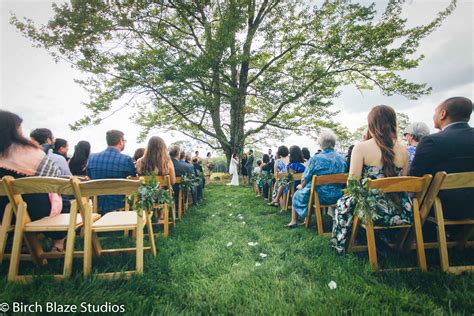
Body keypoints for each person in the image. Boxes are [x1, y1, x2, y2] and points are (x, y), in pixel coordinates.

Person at [330, 105, 412, 253]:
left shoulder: (361, 148)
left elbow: (352, 184)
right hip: (401, 210)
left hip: (372, 211)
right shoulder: (404, 150)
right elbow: (403, 183)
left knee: (342, 203)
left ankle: (342, 244)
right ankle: (382, 240)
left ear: (372, 124)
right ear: (393, 123)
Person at [0, 110, 66, 251]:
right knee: (61, 201)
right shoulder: (31, 153)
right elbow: (55, 181)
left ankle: (17, 241)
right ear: (14, 130)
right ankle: (58, 242)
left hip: (3, 215)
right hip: (34, 212)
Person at [410, 97, 474, 219]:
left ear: (443, 114)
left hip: (441, 208)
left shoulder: (431, 141)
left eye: (435, 112)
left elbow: (415, 177)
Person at [286, 130, 346, 228]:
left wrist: (302, 185)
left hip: (320, 196)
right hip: (339, 195)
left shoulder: (316, 159)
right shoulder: (342, 158)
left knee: (297, 193)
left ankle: (293, 221)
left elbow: (305, 177)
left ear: (321, 144)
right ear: (334, 143)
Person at [86, 130, 136, 214]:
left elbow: (89, 178)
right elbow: (132, 182)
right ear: (120, 141)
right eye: (124, 141)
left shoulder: (92, 158)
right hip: (119, 204)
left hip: (97, 205)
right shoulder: (126, 160)